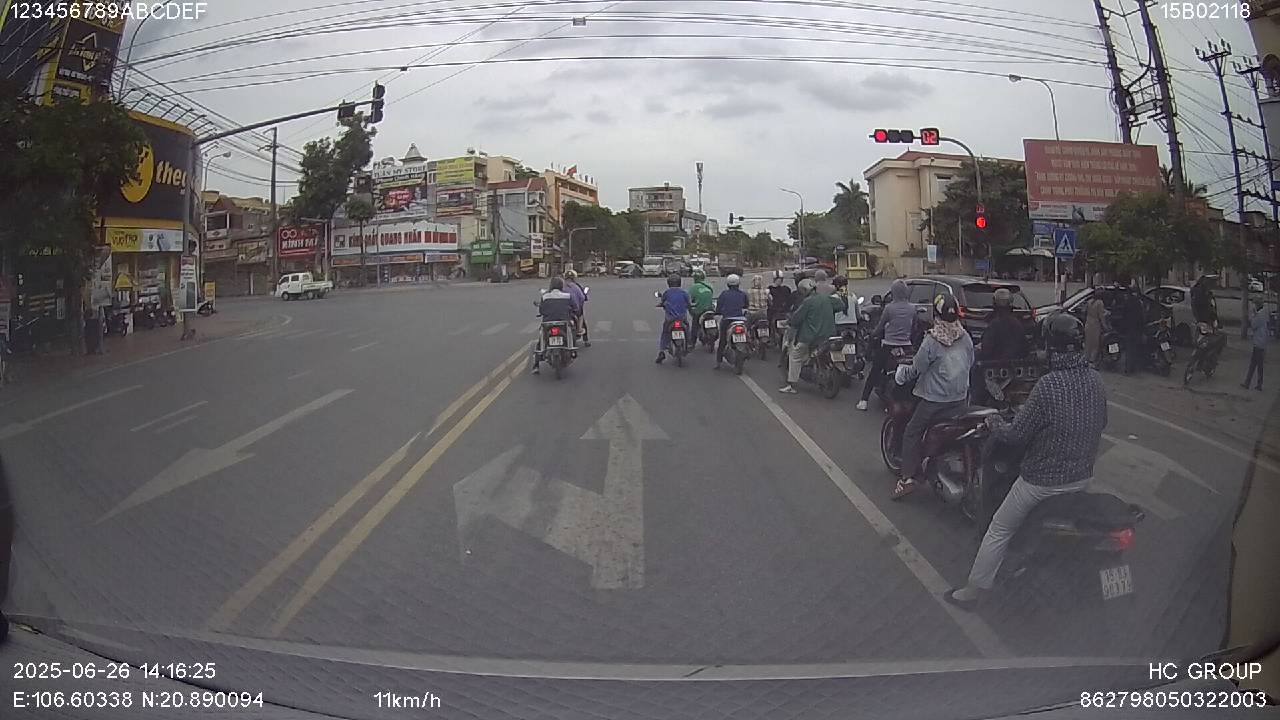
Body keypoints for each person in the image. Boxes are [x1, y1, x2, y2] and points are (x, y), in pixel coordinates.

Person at [945, 313, 1107, 608]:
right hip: (1082, 477)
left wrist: (995, 421)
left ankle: (974, 591)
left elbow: (1015, 435)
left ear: (1051, 347)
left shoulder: (1048, 385)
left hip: (1041, 482)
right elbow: (1101, 422)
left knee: (999, 527)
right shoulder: (1095, 380)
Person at [890, 294, 974, 499]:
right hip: (961, 399)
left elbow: (917, 369)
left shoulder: (932, 340)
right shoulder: (965, 337)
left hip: (934, 402)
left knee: (911, 432)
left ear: (936, 314)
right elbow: (970, 362)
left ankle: (907, 478)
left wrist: (901, 374)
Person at [857, 279, 917, 411]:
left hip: (888, 345)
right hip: (906, 347)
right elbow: (914, 327)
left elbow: (880, 326)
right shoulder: (912, 308)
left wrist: (872, 334)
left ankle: (864, 400)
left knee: (875, 371)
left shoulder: (889, 308)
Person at [779, 278, 835, 394]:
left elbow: (796, 318)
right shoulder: (827, 298)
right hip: (828, 335)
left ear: (805, 290)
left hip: (810, 336)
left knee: (795, 356)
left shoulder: (808, 302)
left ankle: (791, 385)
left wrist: (788, 322)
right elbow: (840, 305)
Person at [531, 277, 576, 374]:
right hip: (563, 323)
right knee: (572, 331)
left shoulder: (545, 297)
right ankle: (573, 350)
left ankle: (536, 365)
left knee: (541, 340)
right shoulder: (568, 296)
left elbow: (541, 310)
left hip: (548, 323)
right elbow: (575, 307)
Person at [714, 274, 750, 369]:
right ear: (738, 284)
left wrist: (718, 312)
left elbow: (719, 307)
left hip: (727, 320)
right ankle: (750, 348)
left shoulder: (724, 294)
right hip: (741, 320)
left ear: (728, 284)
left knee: (722, 341)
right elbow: (746, 305)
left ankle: (718, 362)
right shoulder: (743, 294)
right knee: (748, 335)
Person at [656, 274, 691, 364]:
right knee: (687, 328)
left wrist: (661, 305)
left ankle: (662, 351)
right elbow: (689, 304)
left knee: (665, 333)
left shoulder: (667, 293)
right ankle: (689, 343)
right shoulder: (684, 293)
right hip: (682, 318)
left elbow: (662, 302)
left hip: (670, 319)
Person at [1119, 284, 1146, 375]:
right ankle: (1133, 368)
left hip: (1129, 329)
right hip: (1137, 329)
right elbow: (1141, 318)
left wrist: (1123, 328)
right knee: (1135, 349)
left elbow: (1123, 317)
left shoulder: (1127, 303)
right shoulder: (1138, 303)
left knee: (1129, 350)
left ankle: (1128, 369)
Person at [1242, 299, 1268, 391]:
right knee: (1259, 365)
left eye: (1254, 304)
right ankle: (1256, 384)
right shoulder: (1264, 314)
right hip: (1262, 342)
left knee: (1254, 364)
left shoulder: (1259, 315)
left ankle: (1248, 383)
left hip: (1258, 342)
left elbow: (1253, 325)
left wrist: (1252, 315)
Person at [688, 268, 715, 346]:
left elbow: (690, 299)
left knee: (695, 325)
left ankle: (692, 342)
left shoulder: (693, 287)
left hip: (699, 311)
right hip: (710, 309)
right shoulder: (709, 285)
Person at [564, 269, 590, 347]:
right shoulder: (576, 286)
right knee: (581, 316)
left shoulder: (561, 285)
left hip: (562, 309)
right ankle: (585, 339)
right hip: (574, 309)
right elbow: (582, 298)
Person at [1083, 292, 1107, 366]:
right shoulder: (1100, 303)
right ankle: (1092, 360)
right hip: (1095, 325)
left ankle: (1086, 359)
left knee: (1088, 343)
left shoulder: (1089, 301)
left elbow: (1084, 311)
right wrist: (1105, 326)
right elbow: (1101, 316)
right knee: (1095, 344)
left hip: (1088, 324)